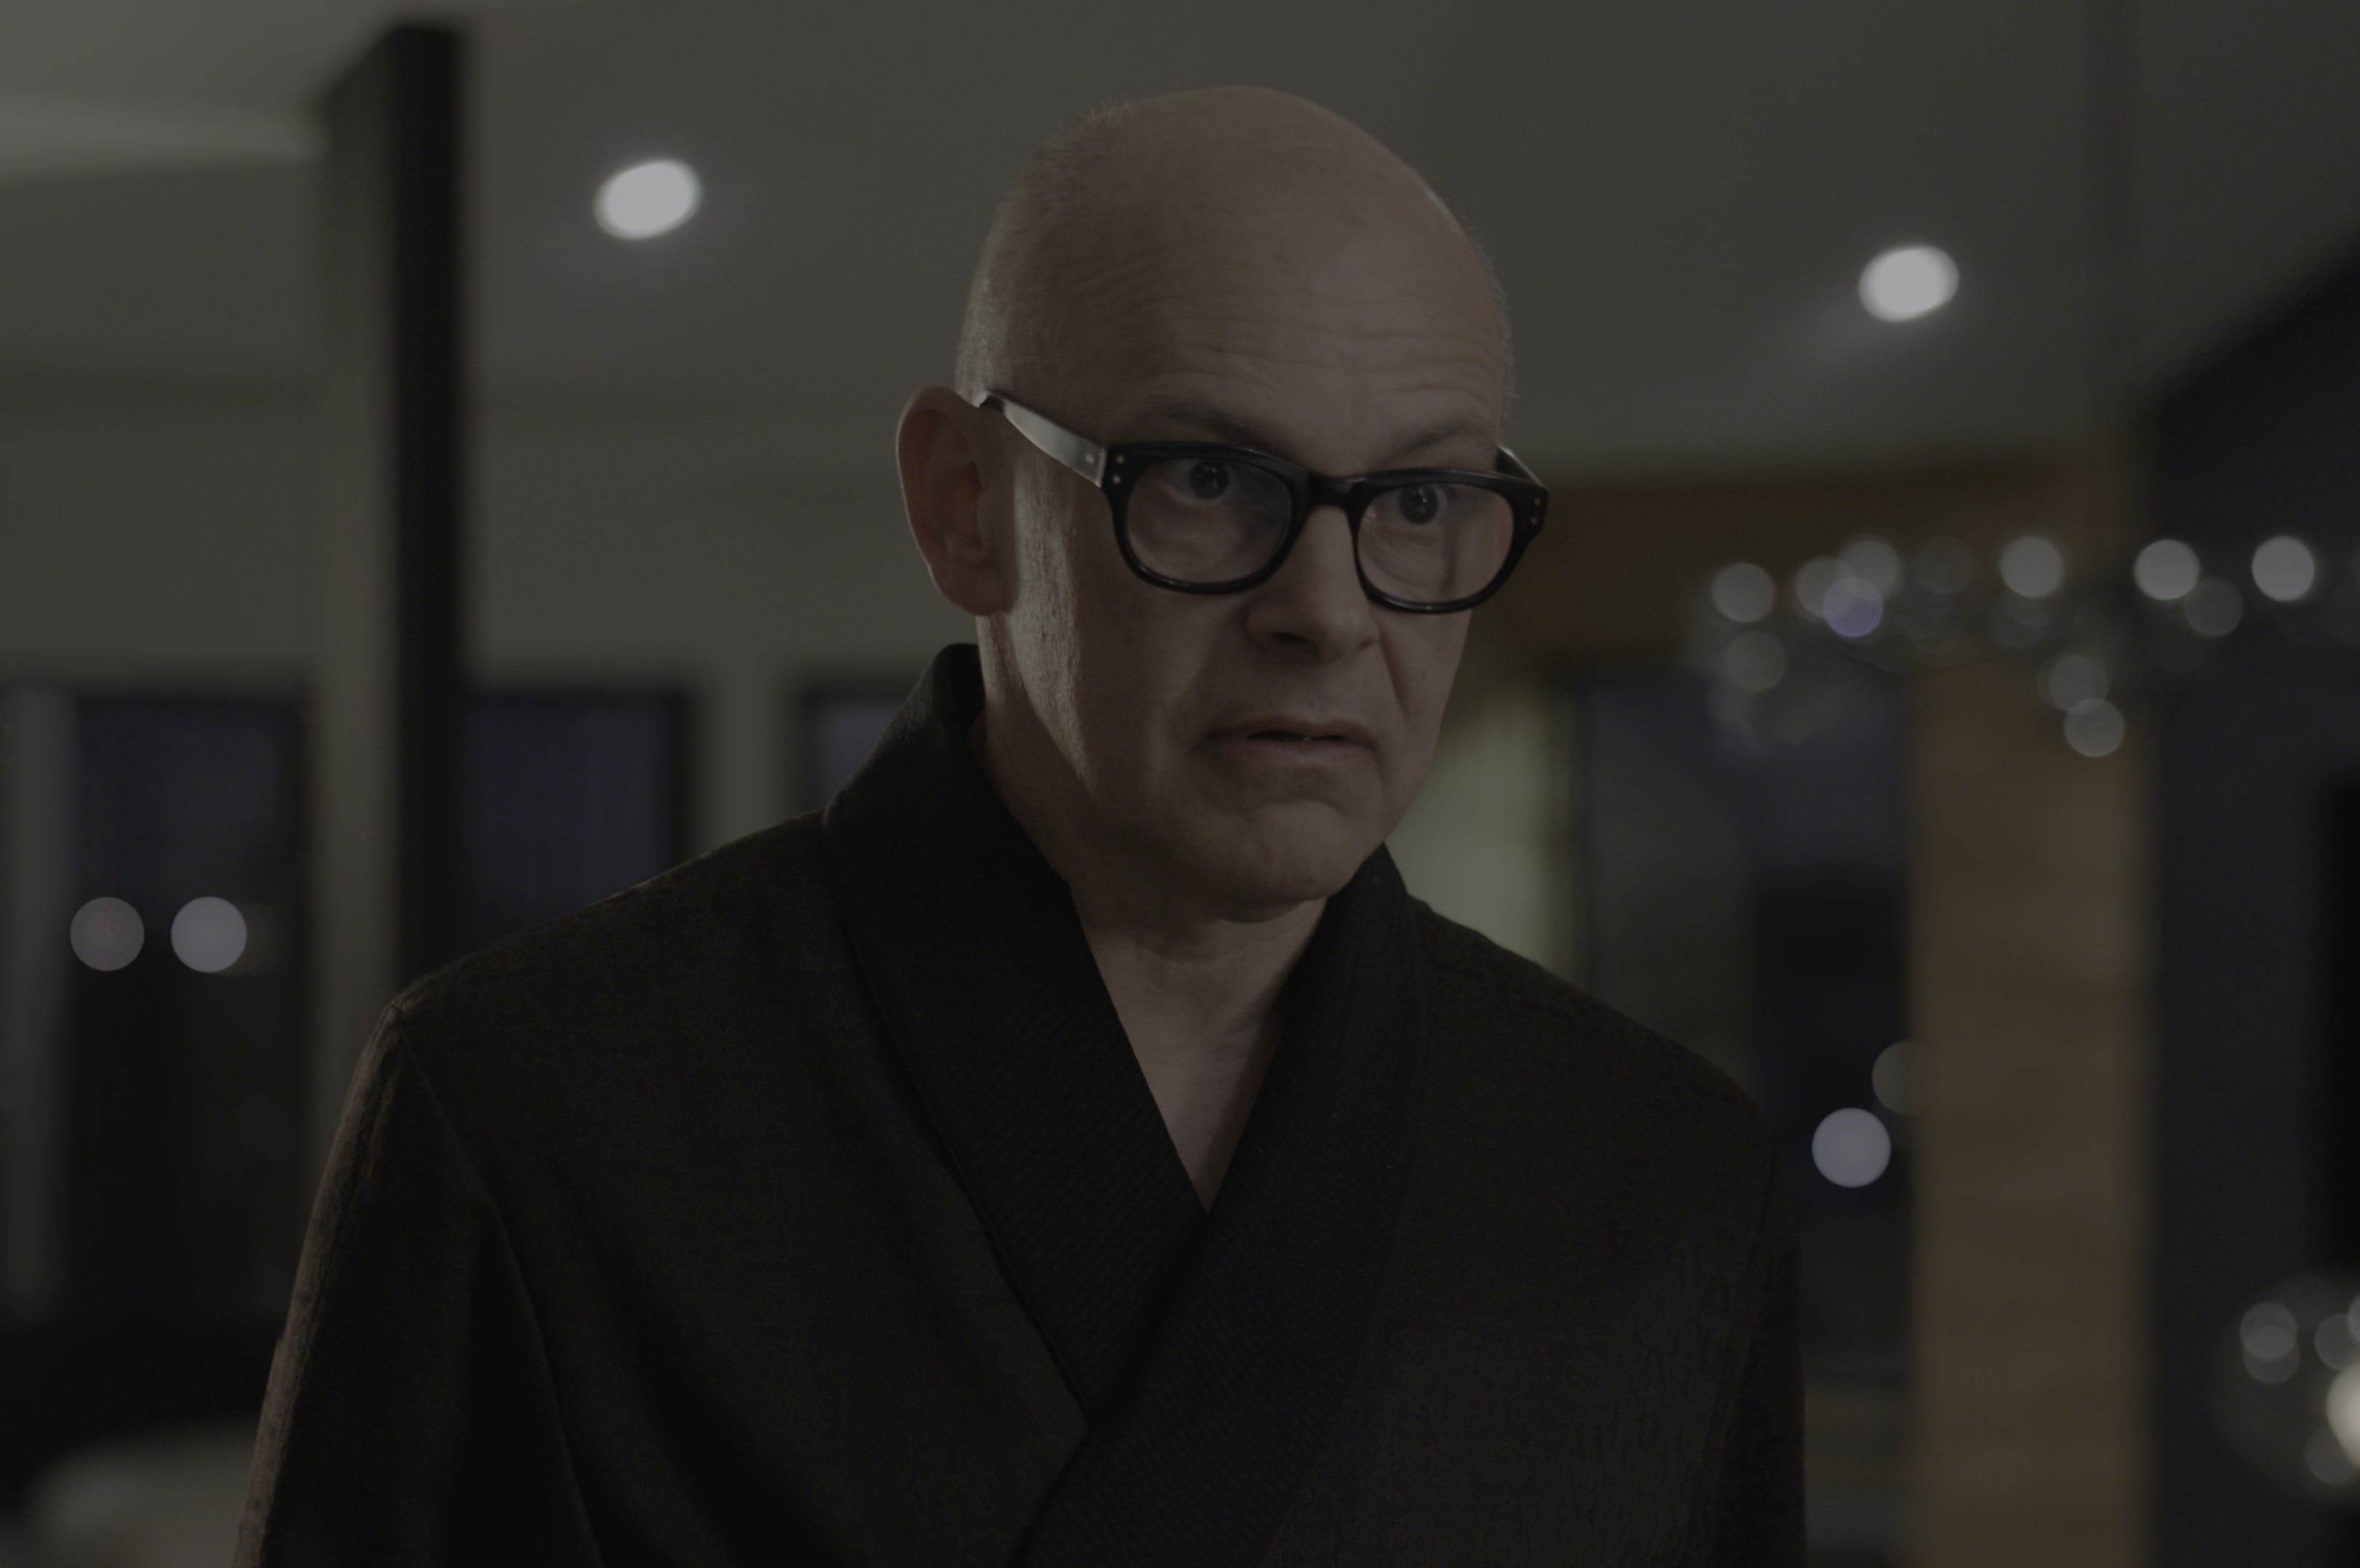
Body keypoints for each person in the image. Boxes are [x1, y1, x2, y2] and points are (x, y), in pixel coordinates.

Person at [240, 86, 1800, 1566]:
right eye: (1210, 477)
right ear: (965, 507)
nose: (1328, 612)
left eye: (1417, 503)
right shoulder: (536, 1113)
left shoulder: (1658, 1182)